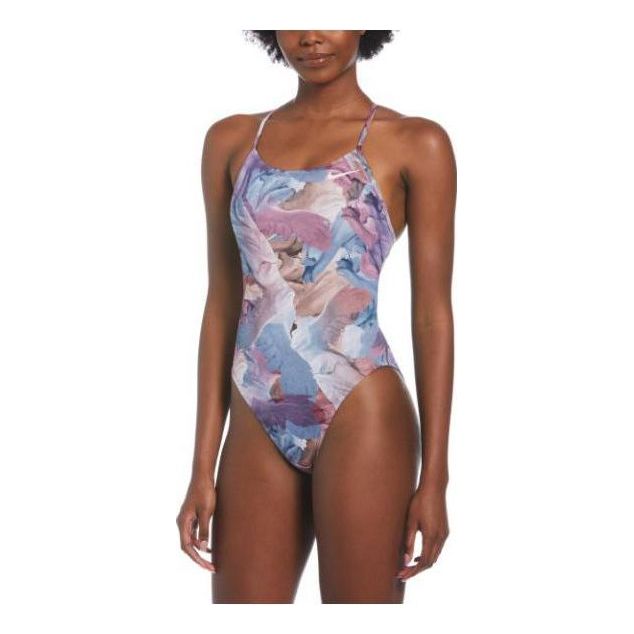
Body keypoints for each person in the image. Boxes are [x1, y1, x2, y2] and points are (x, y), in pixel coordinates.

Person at [176, 30, 456, 604]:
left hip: (361, 406)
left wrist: (436, 478)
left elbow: (433, 315)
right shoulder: (232, 140)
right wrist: (202, 465)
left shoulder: (414, 142)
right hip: (257, 409)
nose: (310, 35)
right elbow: (223, 301)